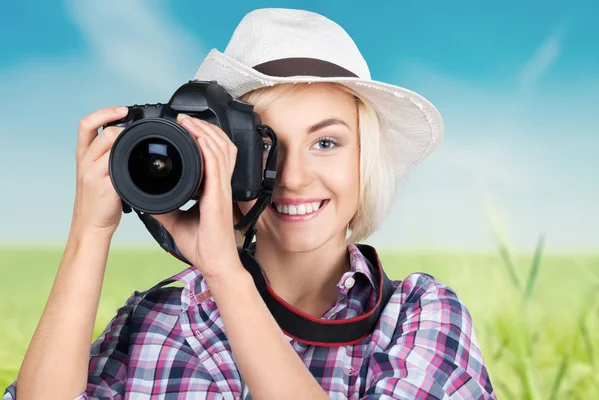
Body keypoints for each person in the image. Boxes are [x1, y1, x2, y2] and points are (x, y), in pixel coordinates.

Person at [4, 8, 497, 400]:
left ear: (366, 160)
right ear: (220, 158)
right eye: (264, 146)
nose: (295, 177)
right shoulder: (159, 317)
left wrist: (226, 274)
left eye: (326, 143)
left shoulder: (419, 317)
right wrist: (89, 232)